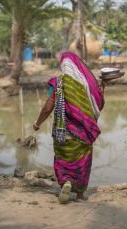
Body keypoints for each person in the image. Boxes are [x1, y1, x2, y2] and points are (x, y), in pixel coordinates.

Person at [32, 52, 105, 204]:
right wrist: (102, 87)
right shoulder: (87, 86)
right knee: (83, 162)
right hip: (82, 133)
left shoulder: (57, 83)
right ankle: (79, 194)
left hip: (61, 133)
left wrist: (38, 123)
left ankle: (66, 182)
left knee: (62, 159)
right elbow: (97, 105)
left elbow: (47, 107)